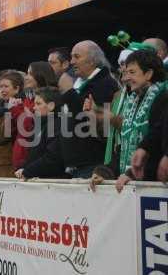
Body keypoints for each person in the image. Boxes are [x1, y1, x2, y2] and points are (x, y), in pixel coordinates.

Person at [55, 40, 119, 178]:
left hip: (93, 165)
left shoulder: (105, 83)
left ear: (92, 60)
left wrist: (69, 92)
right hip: (77, 165)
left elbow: (91, 121)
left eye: (76, 57)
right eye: (71, 56)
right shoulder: (80, 83)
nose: (71, 61)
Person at [113, 50, 168, 190]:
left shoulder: (162, 98)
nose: (125, 78)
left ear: (148, 74)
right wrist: (103, 171)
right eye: (125, 73)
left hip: (156, 187)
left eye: (132, 72)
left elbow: (156, 143)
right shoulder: (132, 102)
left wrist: (132, 173)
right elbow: (124, 149)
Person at [15, 87, 66, 179]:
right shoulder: (41, 125)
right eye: (34, 104)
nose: (34, 108)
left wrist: (27, 171)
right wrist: (23, 168)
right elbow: (34, 156)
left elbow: (53, 158)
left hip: (53, 183)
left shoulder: (57, 125)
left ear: (51, 106)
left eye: (38, 104)